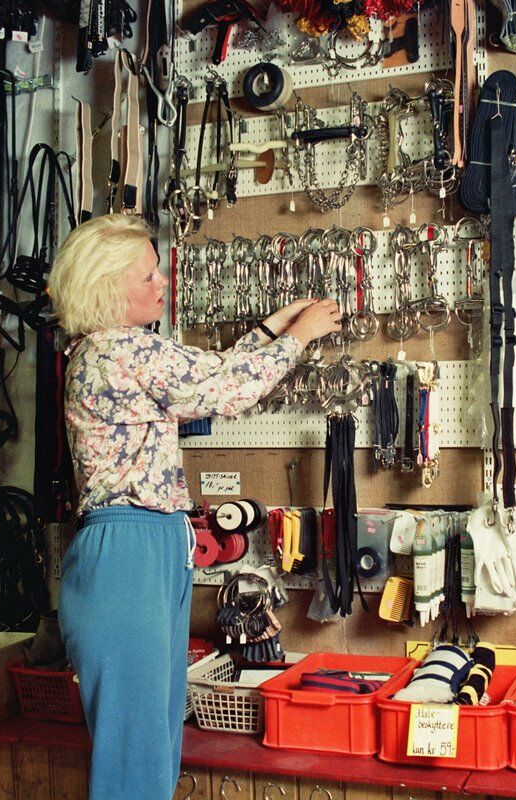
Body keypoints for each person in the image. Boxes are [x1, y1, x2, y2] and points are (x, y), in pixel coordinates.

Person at [47, 214, 341, 800]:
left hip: (148, 542)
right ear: (107, 288)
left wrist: (269, 330)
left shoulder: (117, 352)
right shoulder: (119, 350)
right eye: (148, 275)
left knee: (153, 737)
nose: (163, 283)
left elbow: (206, 374)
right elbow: (223, 391)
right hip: (128, 546)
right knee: (136, 744)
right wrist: (298, 338)